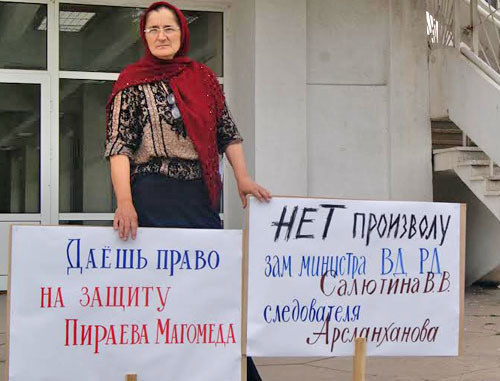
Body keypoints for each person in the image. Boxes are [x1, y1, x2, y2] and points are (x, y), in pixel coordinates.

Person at [105, 2, 268, 380]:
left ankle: (232, 372)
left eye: (169, 29)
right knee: (161, 292)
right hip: (153, 194)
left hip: (197, 195)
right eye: (154, 29)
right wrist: (125, 202)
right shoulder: (132, 81)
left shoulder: (204, 78)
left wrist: (243, 178)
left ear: (183, 33)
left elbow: (227, 133)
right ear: (144, 36)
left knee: (212, 289)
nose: (162, 36)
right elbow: (119, 148)